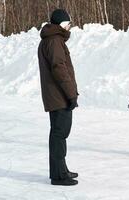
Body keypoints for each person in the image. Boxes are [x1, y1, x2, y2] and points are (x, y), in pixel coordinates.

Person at [38, 9, 79, 186]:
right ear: (62, 24)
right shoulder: (54, 41)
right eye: (68, 23)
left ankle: (61, 170)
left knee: (59, 134)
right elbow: (59, 69)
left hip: (57, 95)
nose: (70, 26)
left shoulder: (52, 39)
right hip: (59, 96)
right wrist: (71, 95)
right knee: (59, 135)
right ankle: (58, 175)